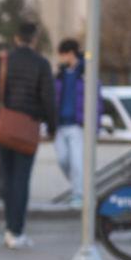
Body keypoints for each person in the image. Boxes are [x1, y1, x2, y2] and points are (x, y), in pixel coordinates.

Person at [0, 22, 56, 250]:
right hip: (27, 130)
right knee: (21, 180)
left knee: (7, 179)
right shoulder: (41, 64)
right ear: (34, 39)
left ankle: (8, 228)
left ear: (15, 38)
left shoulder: (2, 61)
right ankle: (17, 230)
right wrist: (52, 127)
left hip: (3, 128)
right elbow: (48, 99)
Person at [53, 38, 94, 208]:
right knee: (63, 159)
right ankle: (79, 186)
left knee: (77, 161)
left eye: (63, 55)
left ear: (69, 54)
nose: (61, 58)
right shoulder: (60, 75)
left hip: (77, 125)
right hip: (60, 125)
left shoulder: (85, 72)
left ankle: (79, 194)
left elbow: (95, 98)